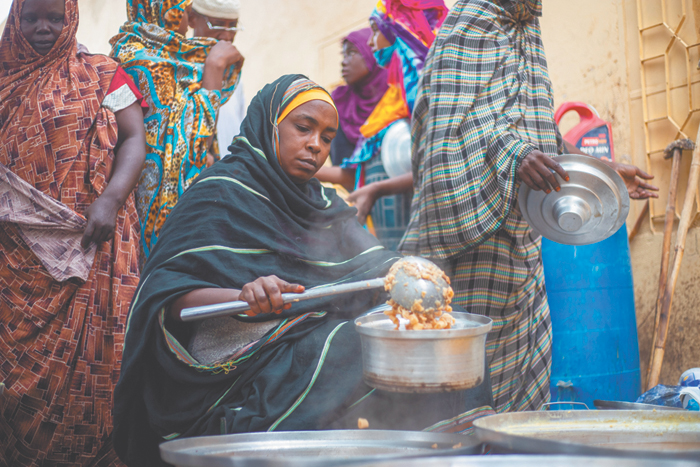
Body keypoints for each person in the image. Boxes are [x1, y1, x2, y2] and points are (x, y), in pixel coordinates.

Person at [112, 75, 492, 467]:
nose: (316, 145)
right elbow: (168, 294)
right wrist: (243, 296)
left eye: (327, 138)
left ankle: (436, 453)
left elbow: (372, 261)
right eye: (303, 128)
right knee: (351, 345)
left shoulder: (324, 201)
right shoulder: (220, 191)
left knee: (432, 339)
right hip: (233, 361)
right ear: (269, 124)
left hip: (305, 332)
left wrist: (409, 269)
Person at [400, 0, 659, 414]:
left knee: (525, 397)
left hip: (523, 252)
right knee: (463, 390)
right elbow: (449, 130)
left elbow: (536, 128)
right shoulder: (469, 24)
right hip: (473, 252)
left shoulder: (527, 31)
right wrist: (514, 155)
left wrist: (599, 171)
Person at [0, 0, 147, 465]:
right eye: (31, 18)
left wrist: (109, 199)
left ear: (71, 20)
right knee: (15, 375)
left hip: (94, 244)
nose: (43, 28)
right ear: (14, 21)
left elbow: (134, 139)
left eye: (54, 18)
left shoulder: (104, 74)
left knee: (100, 363)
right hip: (15, 260)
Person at [110, 0, 244, 264]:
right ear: (166, 10)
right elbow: (191, 143)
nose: (188, 17)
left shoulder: (180, 58)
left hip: (189, 194)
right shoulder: (141, 60)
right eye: (184, 10)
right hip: (147, 201)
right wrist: (214, 70)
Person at [318, 0, 448, 251]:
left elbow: (435, 162)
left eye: (375, 31)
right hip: (385, 232)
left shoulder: (423, 91)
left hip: (424, 230)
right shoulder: (391, 101)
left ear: (397, 31)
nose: (370, 43)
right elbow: (361, 171)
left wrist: (377, 188)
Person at [188, 0, 247, 157]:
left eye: (233, 26)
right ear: (192, 18)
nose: (227, 36)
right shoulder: (179, 71)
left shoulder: (233, 77)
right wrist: (214, 67)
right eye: (218, 24)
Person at [328, 28, 388, 167]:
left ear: (371, 53)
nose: (343, 62)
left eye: (352, 52)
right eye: (344, 55)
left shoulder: (398, 95)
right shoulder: (339, 102)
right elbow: (340, 164)